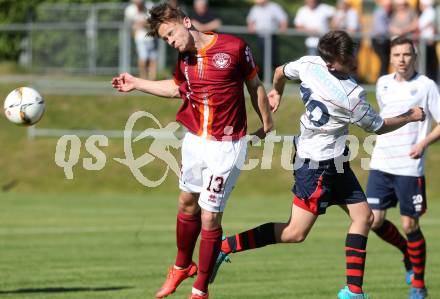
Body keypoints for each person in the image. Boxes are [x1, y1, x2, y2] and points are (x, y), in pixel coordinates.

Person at [209, 31, 426, 299]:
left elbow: (279, 71)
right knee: (294, 233)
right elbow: (379, 127)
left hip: (334, 161)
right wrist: (411, 115)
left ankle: (353, 291)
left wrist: (277, 90)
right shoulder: (351, 95)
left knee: (364, 217)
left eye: (352, 53)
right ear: (332, 64)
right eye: (348, 58)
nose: (354, 61)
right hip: (317, 166)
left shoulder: (309, 64)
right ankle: (226, 246)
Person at [112, 3, 273, 299]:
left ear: (186, 22)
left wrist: (267, 122)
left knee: (210, 216)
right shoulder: (184, 60)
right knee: (187, 203)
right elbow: (176, 89)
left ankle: (200, 290)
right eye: (165, 40)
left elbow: (255, 86)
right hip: (196, 141)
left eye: (171, 34)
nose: (171, 42)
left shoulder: (234, 47)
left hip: (227, 146)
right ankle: (181, 266)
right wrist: (136, 83)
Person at [367, 36, 440, 299]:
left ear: (414, 57)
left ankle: (418, 285)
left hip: (409, 167)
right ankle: (407, 255)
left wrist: (423, 143)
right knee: (373, 221)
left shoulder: (426, 85)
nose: (401, 59)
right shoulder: (382, 83)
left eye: (407, 55)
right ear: (390, 58)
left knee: (410, 225)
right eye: (397, 55)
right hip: (381, 162)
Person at [247, 0, 288, 71]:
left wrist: (283, 28)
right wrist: (251, 27)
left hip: (272, 37)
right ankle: (265, 77)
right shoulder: (255, 8)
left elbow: (283, 19)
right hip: (260, 37)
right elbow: (250, 21)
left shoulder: (274, 7)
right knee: (262, 58)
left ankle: (277, 76)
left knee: (273, 59)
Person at [124, 0, 158, 80]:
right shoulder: (130, 10)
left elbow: (155, 22)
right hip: (140, 38)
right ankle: (143, 78)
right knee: (143, 58)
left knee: (153, 58)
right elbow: (130, 26)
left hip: (152, 37)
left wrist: (145, 24)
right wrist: (135, 29)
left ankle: (153, 79)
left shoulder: (150, 6)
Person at [371, 0, 393, 77]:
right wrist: (393, 29)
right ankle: (382, 79)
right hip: (379, 41)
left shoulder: (385, 13)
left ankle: (383, 78)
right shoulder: (380, 13)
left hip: (382, 41)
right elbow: (381, 30)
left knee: (385, 62)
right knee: (384, 61)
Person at [418, 0, 438, 82]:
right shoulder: (427, 12)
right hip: (425, 41)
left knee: (430, 65)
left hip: (429, 41)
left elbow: (429, 26)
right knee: (426, 64)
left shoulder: (430, 12)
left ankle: (432, 82)